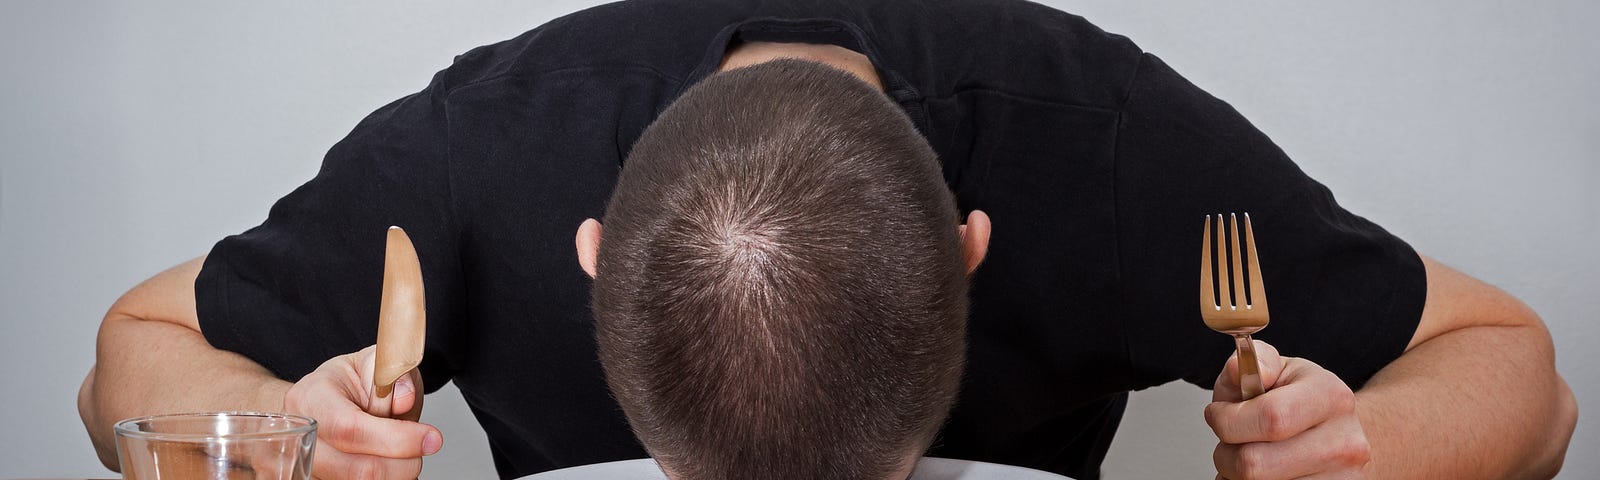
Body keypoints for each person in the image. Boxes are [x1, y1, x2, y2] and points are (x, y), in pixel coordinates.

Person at [77, 0, 1577, 479]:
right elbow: (121, 363)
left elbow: (1520, 371)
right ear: (587, 250)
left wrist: (1367, 448)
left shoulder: (1101, 148)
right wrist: (279, 428)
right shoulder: (485, 152)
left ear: (979, 249)